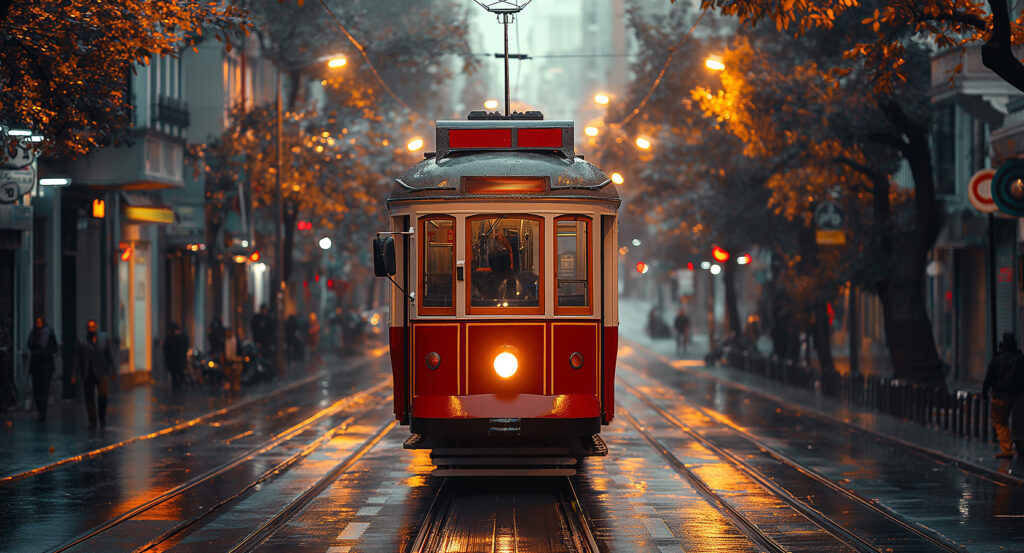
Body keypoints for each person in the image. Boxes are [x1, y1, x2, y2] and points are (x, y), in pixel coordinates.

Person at [983, 333, 1024, 459]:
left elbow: (989, 377)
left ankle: (1007, 449)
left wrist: (984, 392)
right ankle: (1020, 448)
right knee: (1019, 423)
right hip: (1019, 395)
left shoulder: (997, 359)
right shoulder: (1020, 358)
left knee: (1000, 422)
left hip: (1001, 395)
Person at [73, 319, 116, 430]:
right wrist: (74, 374)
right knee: (89, 398)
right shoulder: (81, 342)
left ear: (96, 327)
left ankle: (102, 417)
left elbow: (109, 355)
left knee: (103, 396)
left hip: (101, 372)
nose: (91, 329)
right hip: (88, 373)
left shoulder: (104, 339)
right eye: (89, 327)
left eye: (93, 327)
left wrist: (112, 370)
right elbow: (77, 359)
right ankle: (92, 420)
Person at [27, 317, 59, 422]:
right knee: (37, 391)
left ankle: (42, 413)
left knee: (44, 390)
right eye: (37, 322)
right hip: (36, 365)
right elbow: (29, 345)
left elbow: (55, 347)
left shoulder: (49, 333)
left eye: (40, 322)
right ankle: (39, 409)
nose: (38, 324)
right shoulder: (33, 333)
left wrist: (46, 351)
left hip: (46, 365)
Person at [162, 322, 189, 391]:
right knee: (179, 374)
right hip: (178, 361)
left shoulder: (171, 338)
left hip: (174, 361)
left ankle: (176, 387)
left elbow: (165, 349)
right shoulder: (181, 337)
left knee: (175, 375)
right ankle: (178, 387)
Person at [222, 328, 243, 392]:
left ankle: (236, 387)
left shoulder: (236, 340)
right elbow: (223, 350)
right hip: (227, 361)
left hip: (236, 359)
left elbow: (240, 349)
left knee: (236, 374)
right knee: (228, 374)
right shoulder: (224, 341)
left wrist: (239, 358)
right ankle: (229, 386)